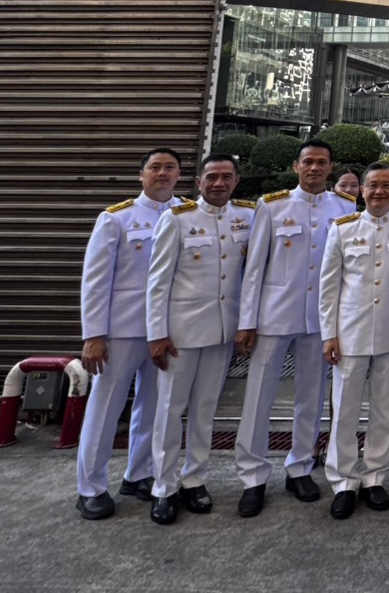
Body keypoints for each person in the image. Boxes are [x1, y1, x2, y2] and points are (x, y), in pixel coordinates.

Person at [233, 138, 354, 517]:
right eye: (308, 162)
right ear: (296, 166)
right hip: (274, 315)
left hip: (320, 318)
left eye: (322, 162)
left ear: (330, 167)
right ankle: (252, 475)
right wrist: (247, 321)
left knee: (311, 396)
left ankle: (300, 466)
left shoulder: (345, 207)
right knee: (259, 396)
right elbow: (254, 268)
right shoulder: (272, 206)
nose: (315, 168)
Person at [75, 148, 187, 519]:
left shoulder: (188, 214)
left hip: (168, 330)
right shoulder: (117, 218)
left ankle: (139, 473)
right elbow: (95, 280)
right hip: (123, 329)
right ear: (142, 175)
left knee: (154, 407)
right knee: (105, 408)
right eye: (155, 167)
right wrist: (94, 334)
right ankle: (90, 487)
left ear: (179, 175)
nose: (162, 173)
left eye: (170, 167)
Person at [145, 154, 254, 524]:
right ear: (198, 182)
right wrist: (157, 334)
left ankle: (195, 479)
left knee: (205, 410)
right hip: (181, 332)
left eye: (226, 177)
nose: (219, 183)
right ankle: (164, 487)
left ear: (236, 181)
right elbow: (158, 282)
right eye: (212, 177)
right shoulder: (177, 219)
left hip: (222, 332)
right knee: (169, 411)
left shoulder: (247, 217)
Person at [320, 163, 389, 518]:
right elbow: (329, 287)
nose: (379, 192)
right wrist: (329, 334)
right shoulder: (343, 228)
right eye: (373, 185)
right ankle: (343, 480)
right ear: (361, 190)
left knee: (384, 408)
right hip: (350, 331)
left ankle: (374, 477)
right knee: (344, 409)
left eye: (387, 185)